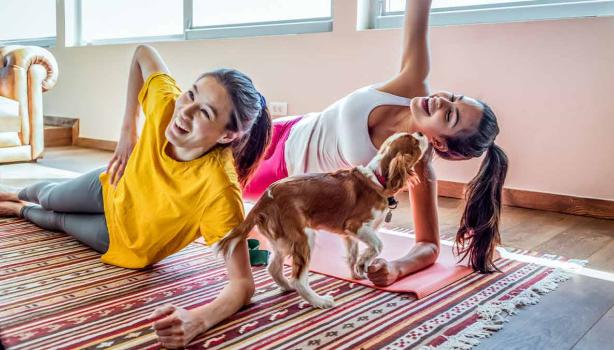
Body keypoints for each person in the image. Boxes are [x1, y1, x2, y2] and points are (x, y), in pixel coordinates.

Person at [0, 44, 272, 348]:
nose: (186, 112)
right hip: (113, 183)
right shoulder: (167, 105)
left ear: (227, 136)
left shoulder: (219, 190)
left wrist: (199, 319)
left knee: (55, 220)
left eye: (205, 113)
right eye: (192, 94)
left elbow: (243, 283)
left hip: (123, 238)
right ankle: (15, 193)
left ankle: (19, 210)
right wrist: (128, 129)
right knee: (49, 196)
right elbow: (143, 53)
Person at [242, 0, 508, 285]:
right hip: (285, 129)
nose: (442, 101)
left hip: (283, 177)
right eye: (454, 97)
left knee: (206, 181)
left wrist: (396, 268)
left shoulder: (415, 164)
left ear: (441, 144)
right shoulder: (412, 84)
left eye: (450, 115)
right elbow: (418, 11)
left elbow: (429, 245)